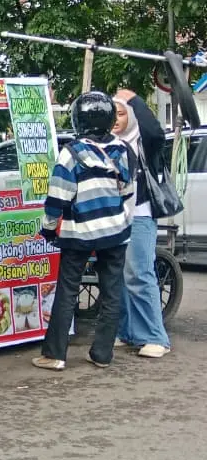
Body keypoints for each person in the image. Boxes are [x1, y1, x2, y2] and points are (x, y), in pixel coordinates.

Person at [34, 92, 135, 371]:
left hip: (78, 233)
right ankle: (102, 354)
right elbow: (127, 192)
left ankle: (55, 355)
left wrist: (49, 229)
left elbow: (57, 199)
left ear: (79, 119)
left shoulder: (72, 153)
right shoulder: (123, 150)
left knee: (68, 291)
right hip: (115, 232)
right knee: (112, 292)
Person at [112, 90, 173, 359]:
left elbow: (156, 133)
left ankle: (155, 337)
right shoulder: (110, 143)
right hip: (114, 218)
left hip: (139, 214)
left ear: (132, 116)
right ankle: (127, 332)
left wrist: (135, 100)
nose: (115, 119)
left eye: (121, 113)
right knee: (119, 277)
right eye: (112, 114)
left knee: (139, 274)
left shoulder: (144, 143)